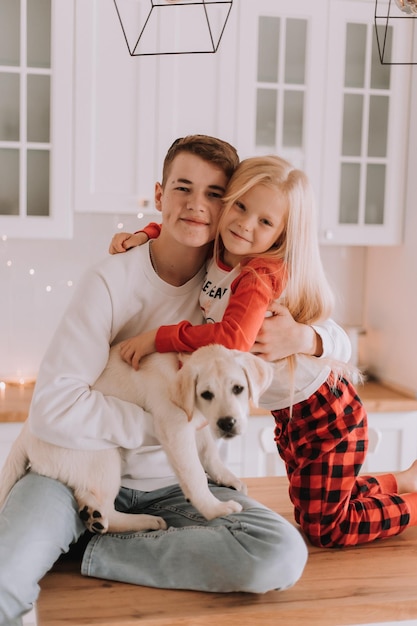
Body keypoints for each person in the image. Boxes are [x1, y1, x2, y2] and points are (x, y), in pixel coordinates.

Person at [0, 136, 317, 626]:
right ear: (159, 195)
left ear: (228, 206)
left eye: (214, 194)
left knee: (278, 554)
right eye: (182, 189)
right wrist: (172, 427)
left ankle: (91, 550)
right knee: (3, 575)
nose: (196, 205)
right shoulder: (109, 279)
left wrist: (312, 338)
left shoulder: (237, 286)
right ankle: (74, 530)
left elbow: (313, 334)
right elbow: (54, 409)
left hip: (172, 486)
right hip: (66, 470)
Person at [111, 155, 417, 549]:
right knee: (316, 506)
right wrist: (147, 233)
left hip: (326, 412)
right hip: (289, 413)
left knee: (326, 528)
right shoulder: (219, 253)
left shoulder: (259, 275)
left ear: (281, 236)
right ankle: (403, 481)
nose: (245, 223)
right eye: (240, 206)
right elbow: (181, 232)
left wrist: (159, 338)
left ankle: (411, 501)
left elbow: (233, 342)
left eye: (266, 222)